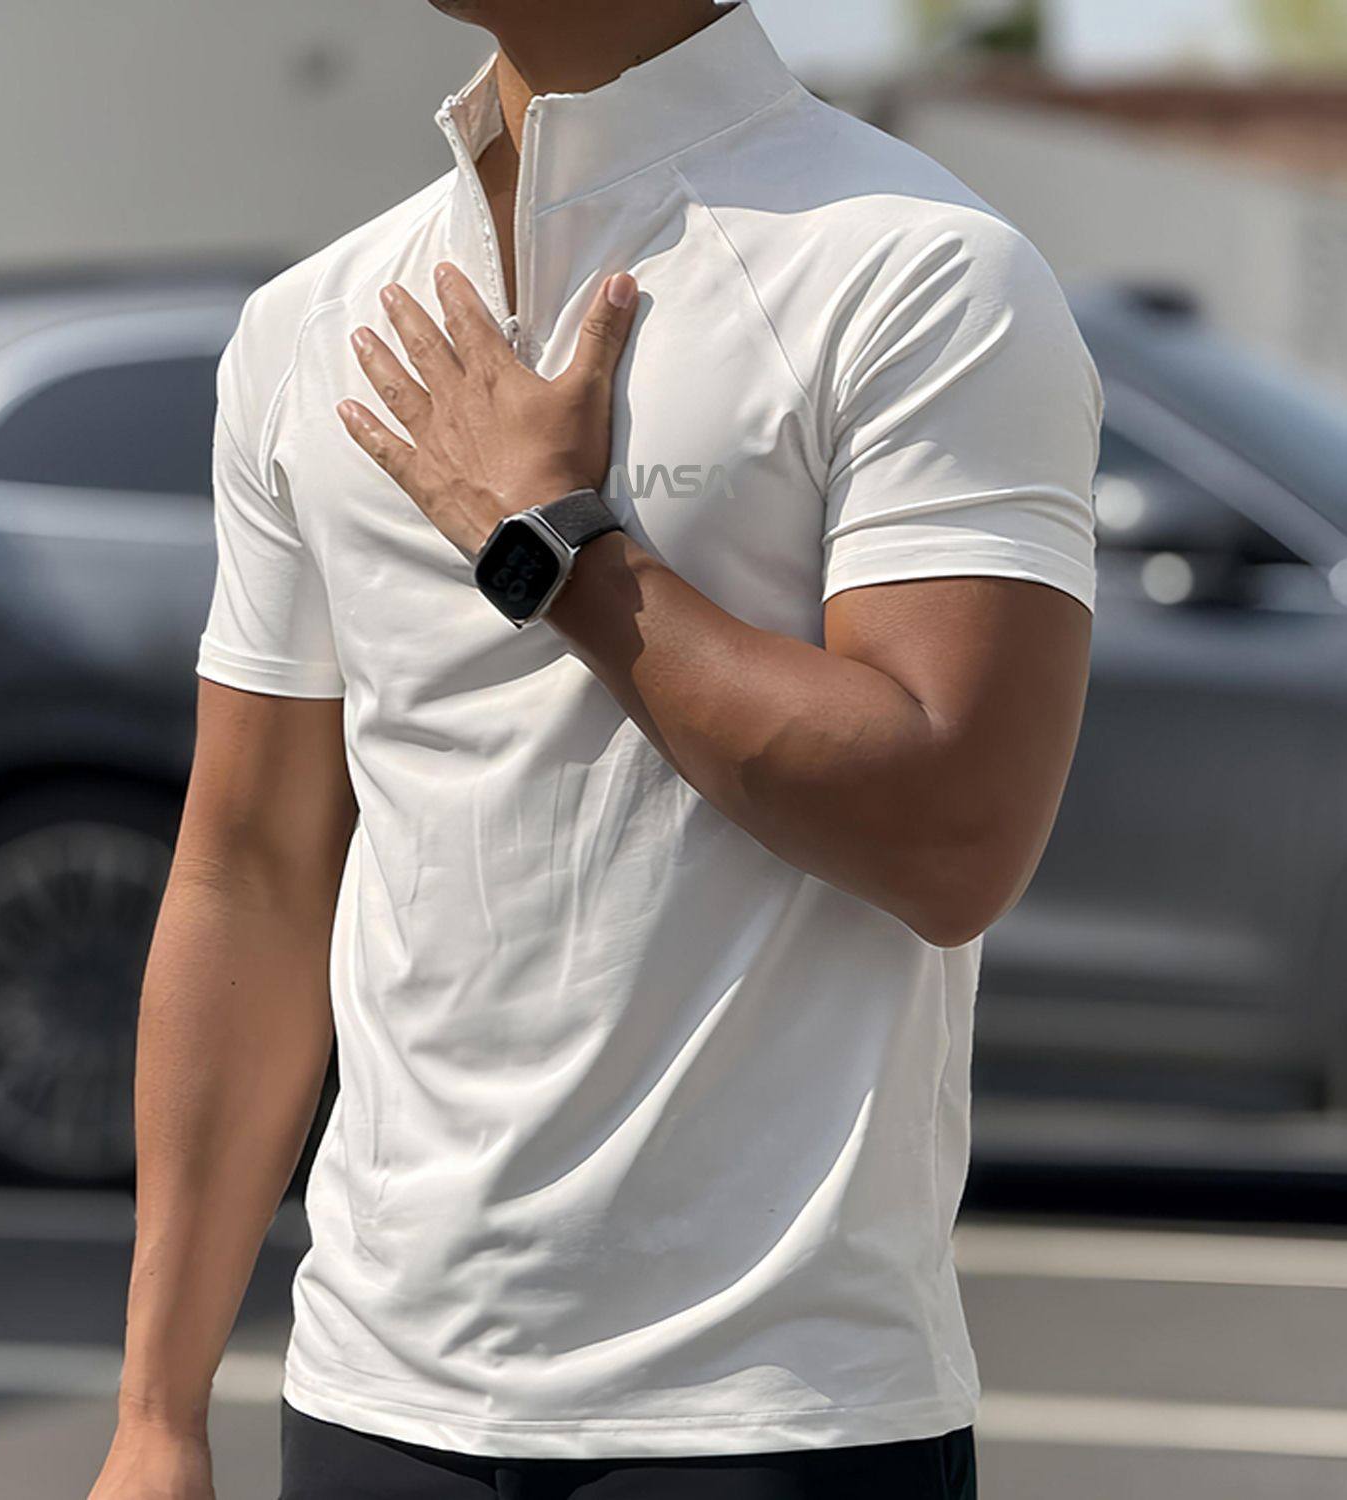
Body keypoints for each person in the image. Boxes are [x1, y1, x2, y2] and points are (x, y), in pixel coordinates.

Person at [89, 2, 1102, 1496]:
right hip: (375, 1399)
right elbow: (251, 874)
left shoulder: (921, 269)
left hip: (773, 1412)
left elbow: (955, 835)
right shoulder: (313, 322)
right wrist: (155, 1415)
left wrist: (554, 547)